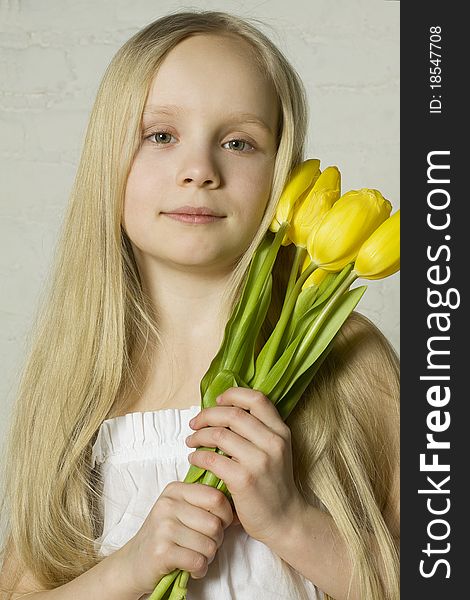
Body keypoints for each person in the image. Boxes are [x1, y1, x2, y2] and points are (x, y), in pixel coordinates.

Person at [0, 10, 399, 600]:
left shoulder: (353, 365)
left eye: (239, 142)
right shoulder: (76, 381)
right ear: (109, 158)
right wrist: (128, 569)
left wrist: (290, 523)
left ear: (281, 175)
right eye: (160, 136)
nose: (199, 171)